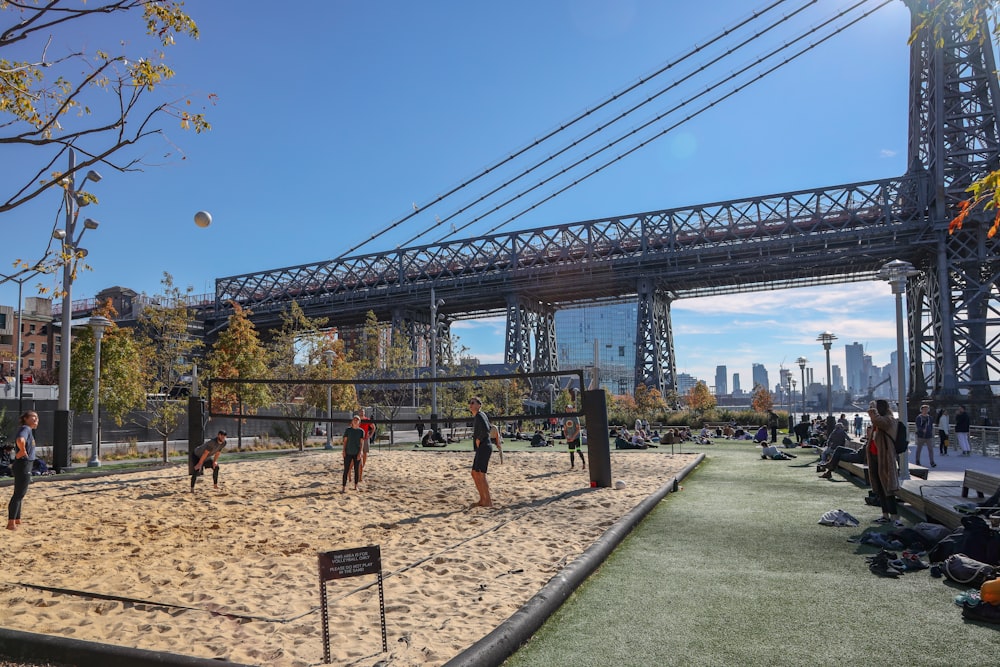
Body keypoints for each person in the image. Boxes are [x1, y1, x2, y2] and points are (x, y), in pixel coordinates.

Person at [867, 400, 903, 527]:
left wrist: (873, 412)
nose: (871, 410)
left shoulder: (889, 419)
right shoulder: (876, 422)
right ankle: (885, 515)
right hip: (875, 457)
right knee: (880, 488)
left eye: (875, 408)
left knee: (888, 488)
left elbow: (880, 422)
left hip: (885, 458)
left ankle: (894, 516)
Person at [7, 411, 38, 530]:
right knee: (18, 494)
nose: (36, 420)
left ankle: (17, 520)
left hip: (24, 464)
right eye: (33, 417)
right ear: (25, 419)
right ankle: (11, 523)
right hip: (23, 464)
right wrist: (22, 450)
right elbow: (20, 440)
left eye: (37, 418)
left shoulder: (28, 429)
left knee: (20, 494)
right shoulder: (25, 428)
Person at [469, 397, 493, 507]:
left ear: (479, 405)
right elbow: (490, 427)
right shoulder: (480, 415)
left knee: (481, 474)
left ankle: (487, 501)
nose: (470, 405)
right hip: (483, 447)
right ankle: (482, 499)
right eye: (470, 403)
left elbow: (487, 429)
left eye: (473, 403)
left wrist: (478, 438)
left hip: (484, 446)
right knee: (474, 473)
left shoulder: (479, 415)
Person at [342, 415, 365, 491]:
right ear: (352, 421)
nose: (355, 421)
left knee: (357, 470)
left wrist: (360, 452)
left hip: (356, 452)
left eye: (357, 420)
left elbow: (362, 443)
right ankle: (344, 486)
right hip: (348, 452)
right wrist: (344, 451)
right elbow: (345, 441)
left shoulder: (361, 431)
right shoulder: (348, 430)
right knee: (346, 469)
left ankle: (356, 485)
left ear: (359, 422)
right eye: (354, 419)